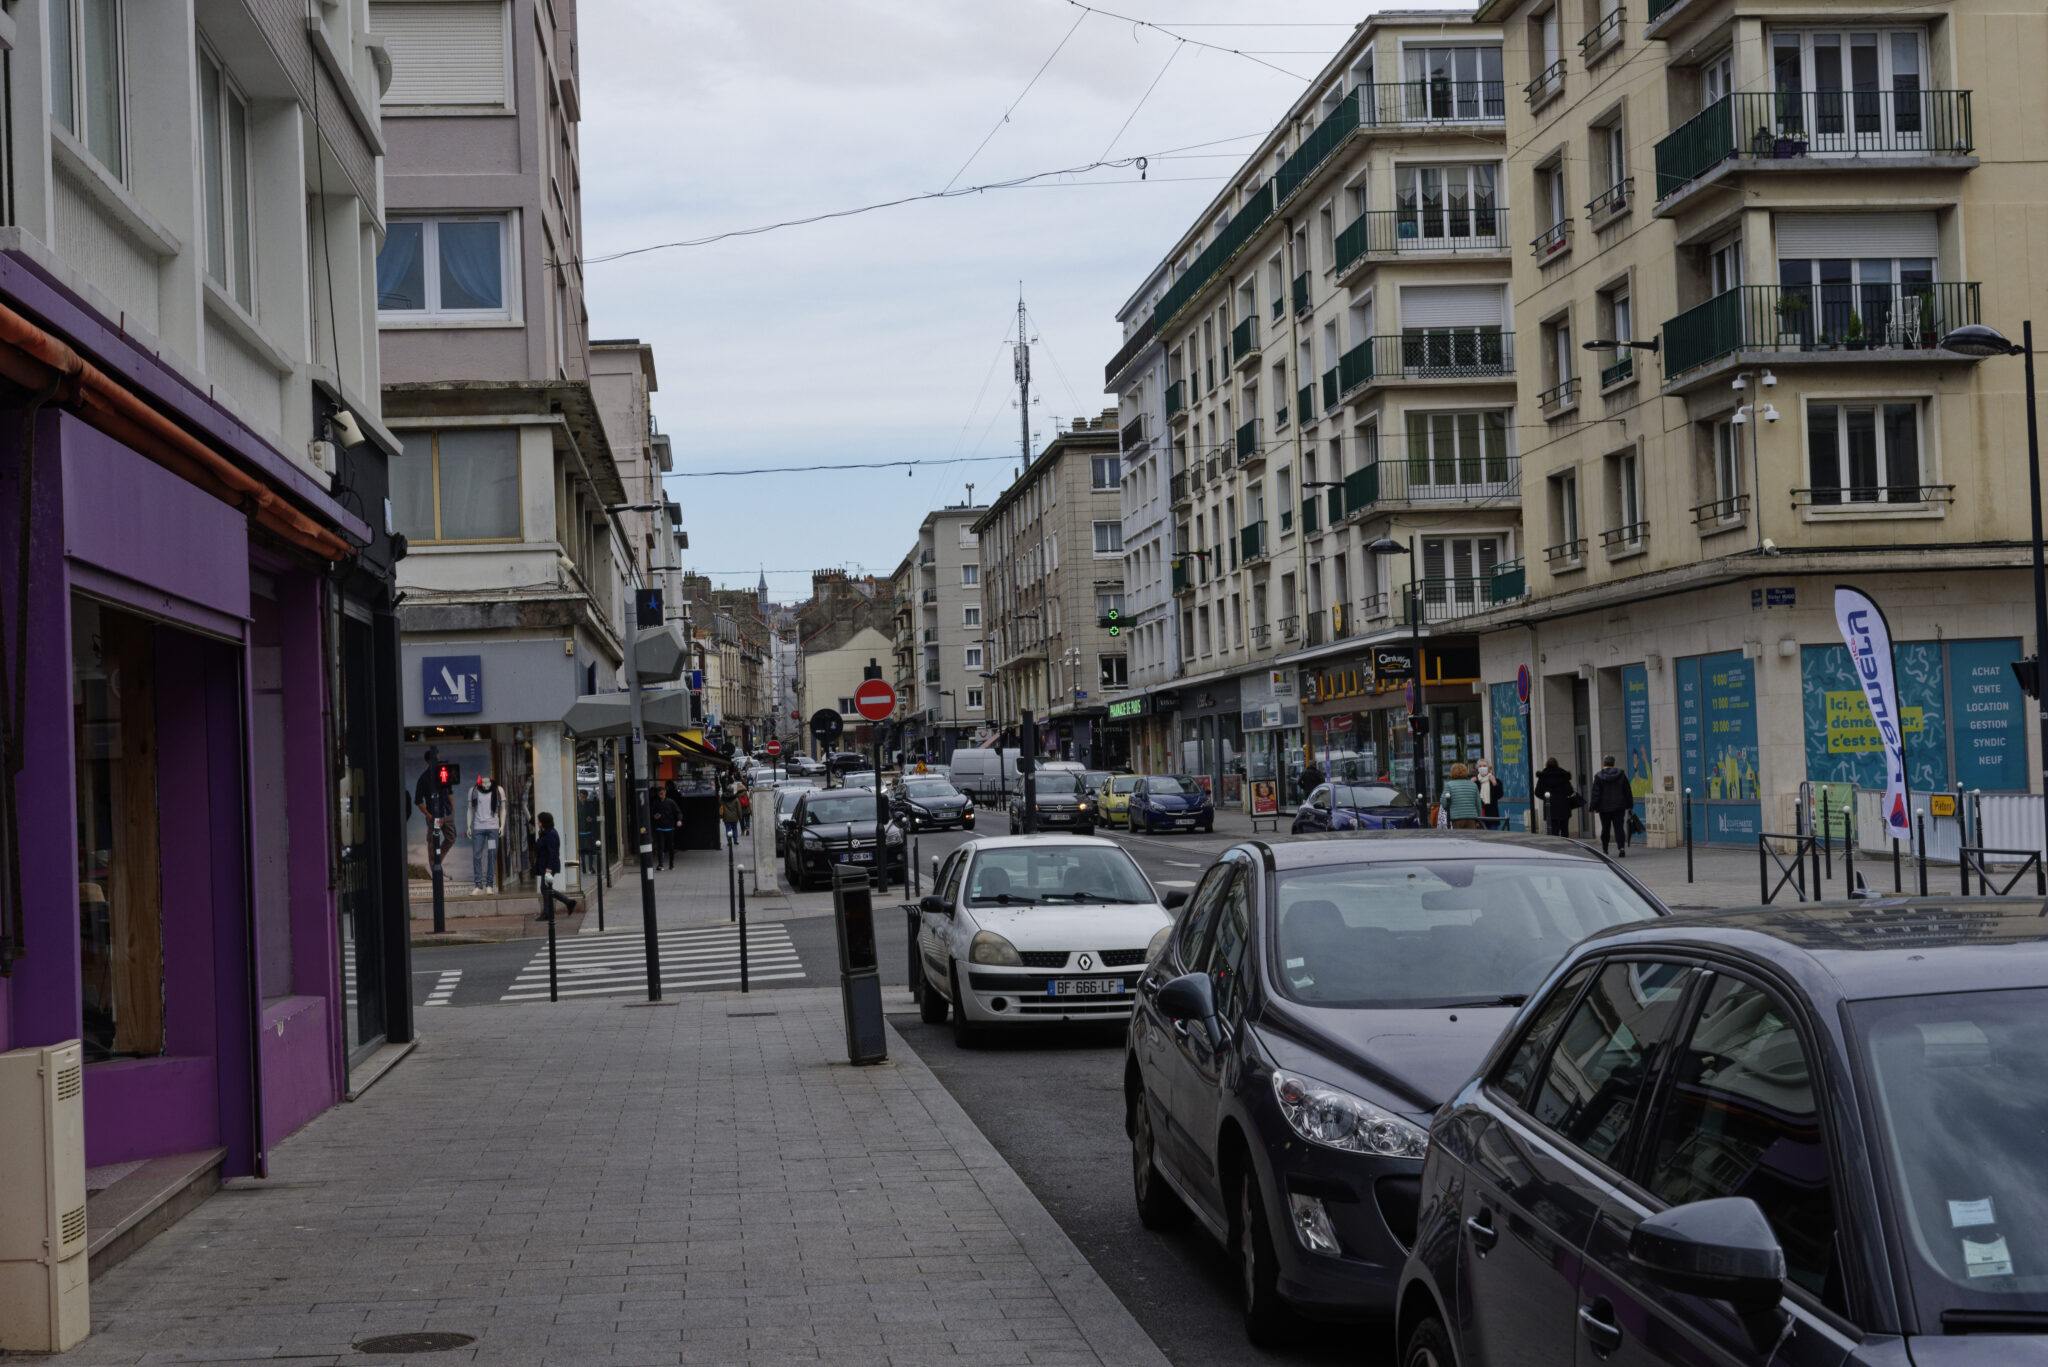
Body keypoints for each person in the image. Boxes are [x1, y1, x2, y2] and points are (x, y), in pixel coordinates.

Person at [414, 747, 454, 870]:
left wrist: (452, 809)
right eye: (435, 758)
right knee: (432, 842)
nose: (438, 760)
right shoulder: (423, 778)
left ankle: (438, 861)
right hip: (433, 815)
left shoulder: (443, 773)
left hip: (446, 813)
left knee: (451, 837)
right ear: (429, 761)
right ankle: (434, 868)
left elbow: (449, 791)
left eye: (438, 757)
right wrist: (428, 815)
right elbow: (418, 801)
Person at [532, 811, 576, 921]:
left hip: (548, 866)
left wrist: (549, 868)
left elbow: (553, 853)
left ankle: (548, 912)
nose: (538, 823)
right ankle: (567, 902)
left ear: (543, 822)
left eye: (539, 821)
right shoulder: (546, 832)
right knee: (545, 889)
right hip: (545, 865)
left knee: (545, 889)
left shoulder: (550, 834)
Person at [1588, 754, 1634, 857]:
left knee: (1605, 828)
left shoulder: (1598, 776)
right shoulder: (1621, 775)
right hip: (1619, 806)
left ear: (1604, 763)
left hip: (1604, 808)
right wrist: (1630, 804)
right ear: (1613, 763)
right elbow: (1627, 791)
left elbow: (1596, 793)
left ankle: (1605, 849)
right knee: (1619, 828)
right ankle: (1621, 848)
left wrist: (1592, 807)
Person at [466, 775, 502, 895]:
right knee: (477, 855)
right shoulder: (473, 790)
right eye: (483, 783)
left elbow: (503, 809)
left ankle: (490, 885)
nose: (485, 785)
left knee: (492, 855)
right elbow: (470, 808)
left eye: (487, 784)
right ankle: (478, 885)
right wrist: (469, 826)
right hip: (478, 827)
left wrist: (502, 826)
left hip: (493, 827)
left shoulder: (498, 790)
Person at [1535, 757, 1578, 838]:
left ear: (1546, 764)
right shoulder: (1563, 774)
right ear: (1557, 764)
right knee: (1564, 828)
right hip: (1563, 805)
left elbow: (1537, 792)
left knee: (1553, 829)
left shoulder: (1543, 775)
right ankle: (1565, 845)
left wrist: (1546, 798)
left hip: (1550, 806)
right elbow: (1570, 791)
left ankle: (1555, 846)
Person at [1439, 763, 1484, 830]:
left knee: (1458, 838)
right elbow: (1478, 804)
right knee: (1471, 839)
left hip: (1456, 818)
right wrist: (1479, 819)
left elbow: (1444, 802)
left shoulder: (1449, 785)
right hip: (1471, 818)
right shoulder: (1473, 785)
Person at [651, 784, 681, 870]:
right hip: (659, 827)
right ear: (658, 794)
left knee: (671, 847)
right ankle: (660, 864)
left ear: (665, 793)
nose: (661, 795)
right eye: (659, 794)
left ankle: (671, 864)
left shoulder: (670, 802)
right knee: (661, 847)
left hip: (669, 827)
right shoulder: (655, 803)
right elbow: (651, 813)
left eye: (662, 793)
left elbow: (678, 811)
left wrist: (679, 820)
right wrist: (654, 816)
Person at [1474, 760, 1504, 828]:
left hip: (1492, 816)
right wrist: (1470, 783)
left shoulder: (1495, 780)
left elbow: (1499, 795)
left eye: (1484, 766)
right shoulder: (1475, 782)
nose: (1482, 768)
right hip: (1479, 816)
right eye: (1480, 766)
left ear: (1489, 768)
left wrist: (1494, 783)